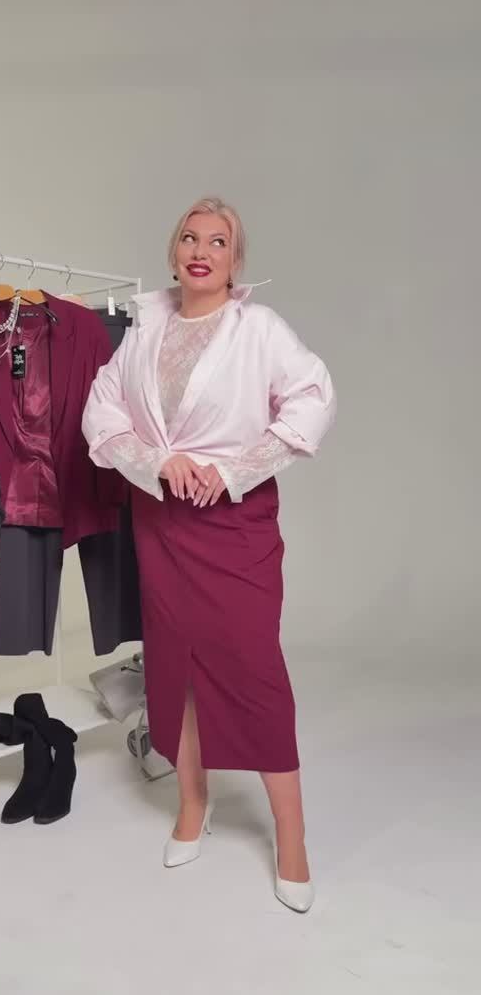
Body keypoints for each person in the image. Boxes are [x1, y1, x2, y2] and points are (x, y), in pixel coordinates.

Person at [82, 198, 336, 912]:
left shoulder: (259, 329)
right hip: (161, 520)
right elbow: (101, 411)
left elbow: (313, 399)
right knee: (176, 666)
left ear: (235, 260)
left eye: (217, 242)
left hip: (235, 523)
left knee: (254, 670)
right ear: (174, 253)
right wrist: (159, 461)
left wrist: (230, 471)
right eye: (190, 238)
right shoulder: (145, 327)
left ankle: (292, 835)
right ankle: (193, 804)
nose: (201, 250)